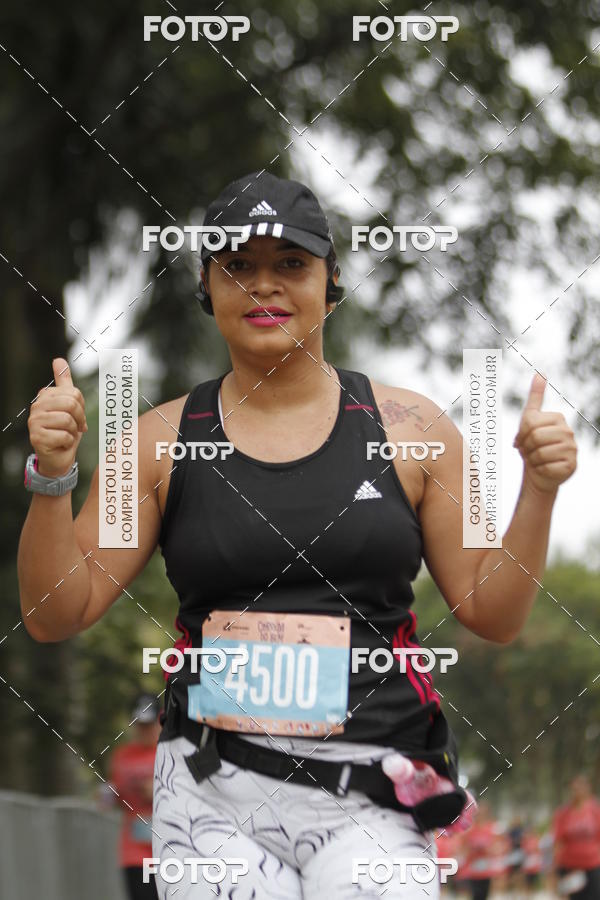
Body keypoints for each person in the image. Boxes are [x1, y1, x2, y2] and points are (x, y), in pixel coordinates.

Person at [17, 170, 578, 899]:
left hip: (374, 788)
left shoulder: (420, 434)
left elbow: (494, 613)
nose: (264, 287)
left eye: (291, 264)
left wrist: (539, 488)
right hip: (211, 788)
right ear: (206, 284)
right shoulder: (153, 445)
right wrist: (53, 476)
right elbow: (54, 612)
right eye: (238, 266)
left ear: (331, 280)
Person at [106, 695, 162, 900]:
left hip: (170, 849)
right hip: (135, 851)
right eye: (139, 724)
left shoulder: (170, 752)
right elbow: (117, 795)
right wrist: (110, 795)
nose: (143, 730)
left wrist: (159, 790)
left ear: (160, 721)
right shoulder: (123, 755)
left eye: (148, 724)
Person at [552, 774, 600, 898]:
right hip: (569, 867)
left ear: (588, 788)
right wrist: (556, 867)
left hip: (592, 866)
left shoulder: (595, 811)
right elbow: (558, 842)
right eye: (575, 787)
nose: (578, 790)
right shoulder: (563, 813)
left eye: (581, 786)